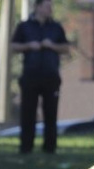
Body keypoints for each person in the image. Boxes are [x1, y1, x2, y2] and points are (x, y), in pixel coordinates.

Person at [11, 0, 70, 154]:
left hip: (51, 76)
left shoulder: (56, 27)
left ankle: (50, 148)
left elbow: (65, 48)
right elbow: (13, 46)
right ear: (37, 7)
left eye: (51, 6)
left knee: (51, 113)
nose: (50, 9)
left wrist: (52, 45)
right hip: (30, 75)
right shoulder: (24, 26)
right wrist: (29, 46)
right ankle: (26, 147)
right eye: (47, 6)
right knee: (28, 112)